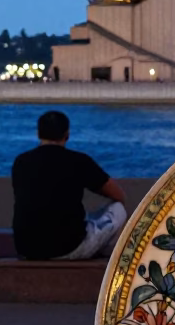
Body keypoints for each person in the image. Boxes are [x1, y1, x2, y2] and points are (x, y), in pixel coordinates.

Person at [12, 110, 128, 261]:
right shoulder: (79, 161)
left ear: (38, 134)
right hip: (69, 248)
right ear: (67, 134)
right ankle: (105, 257)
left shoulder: (21, 162)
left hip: (27, 248)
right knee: (118, 209)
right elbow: (118, 195)